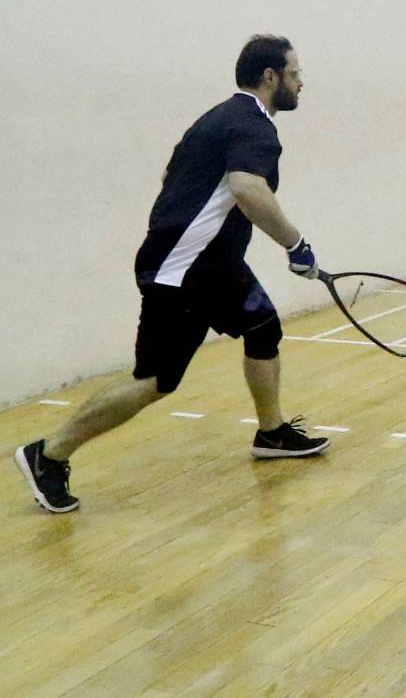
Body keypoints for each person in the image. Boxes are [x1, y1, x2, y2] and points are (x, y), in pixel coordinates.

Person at [13, 34, 329, 515]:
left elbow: (172, 177)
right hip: (184, 270)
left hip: (212, 265)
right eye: (295, 73)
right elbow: (248, 187)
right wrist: (295, 244)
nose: (301, 82)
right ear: (271, 77)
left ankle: (272, 432)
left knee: (263, 326)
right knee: (157, 380)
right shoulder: (254, 127)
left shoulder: (218, 118)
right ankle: (49, 454)